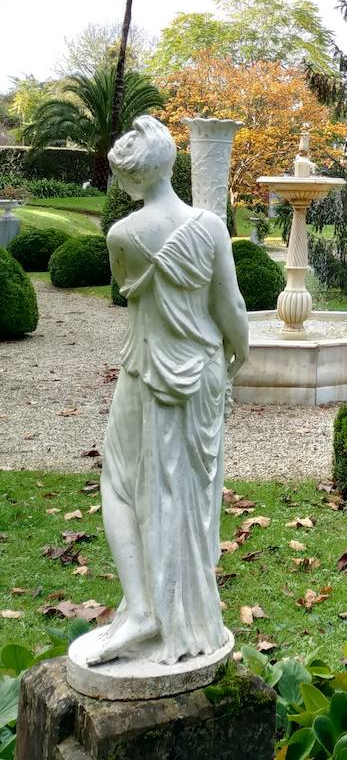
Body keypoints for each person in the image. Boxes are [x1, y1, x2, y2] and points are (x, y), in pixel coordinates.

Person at [80, 115, 249, 667]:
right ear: (171, 160)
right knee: (186, 497)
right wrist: (238, 355)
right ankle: (174, 614)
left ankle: (144, 608)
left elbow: (133, 297)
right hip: (199, 373)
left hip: (145, 369)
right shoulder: (209, 227)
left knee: (123, 484)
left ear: (130, 178)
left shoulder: (122, 237)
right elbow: (230, 309)